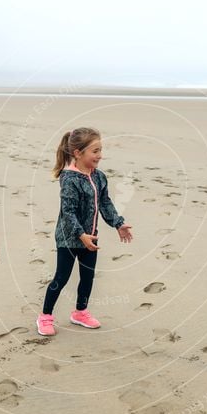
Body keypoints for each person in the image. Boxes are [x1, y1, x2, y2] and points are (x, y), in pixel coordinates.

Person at [36, 128, 133, 336]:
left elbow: (105, 203)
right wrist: (81, 235)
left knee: (87, 277)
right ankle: (45, 316)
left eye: (100, 150)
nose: (100, 155)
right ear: (78, 153)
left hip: (91, 236)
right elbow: (68, 213)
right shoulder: (69, 178)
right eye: (95, 151)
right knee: (61, 278)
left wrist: (118, 223)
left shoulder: (99, 177)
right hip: (69, 238)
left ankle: (80, 312)